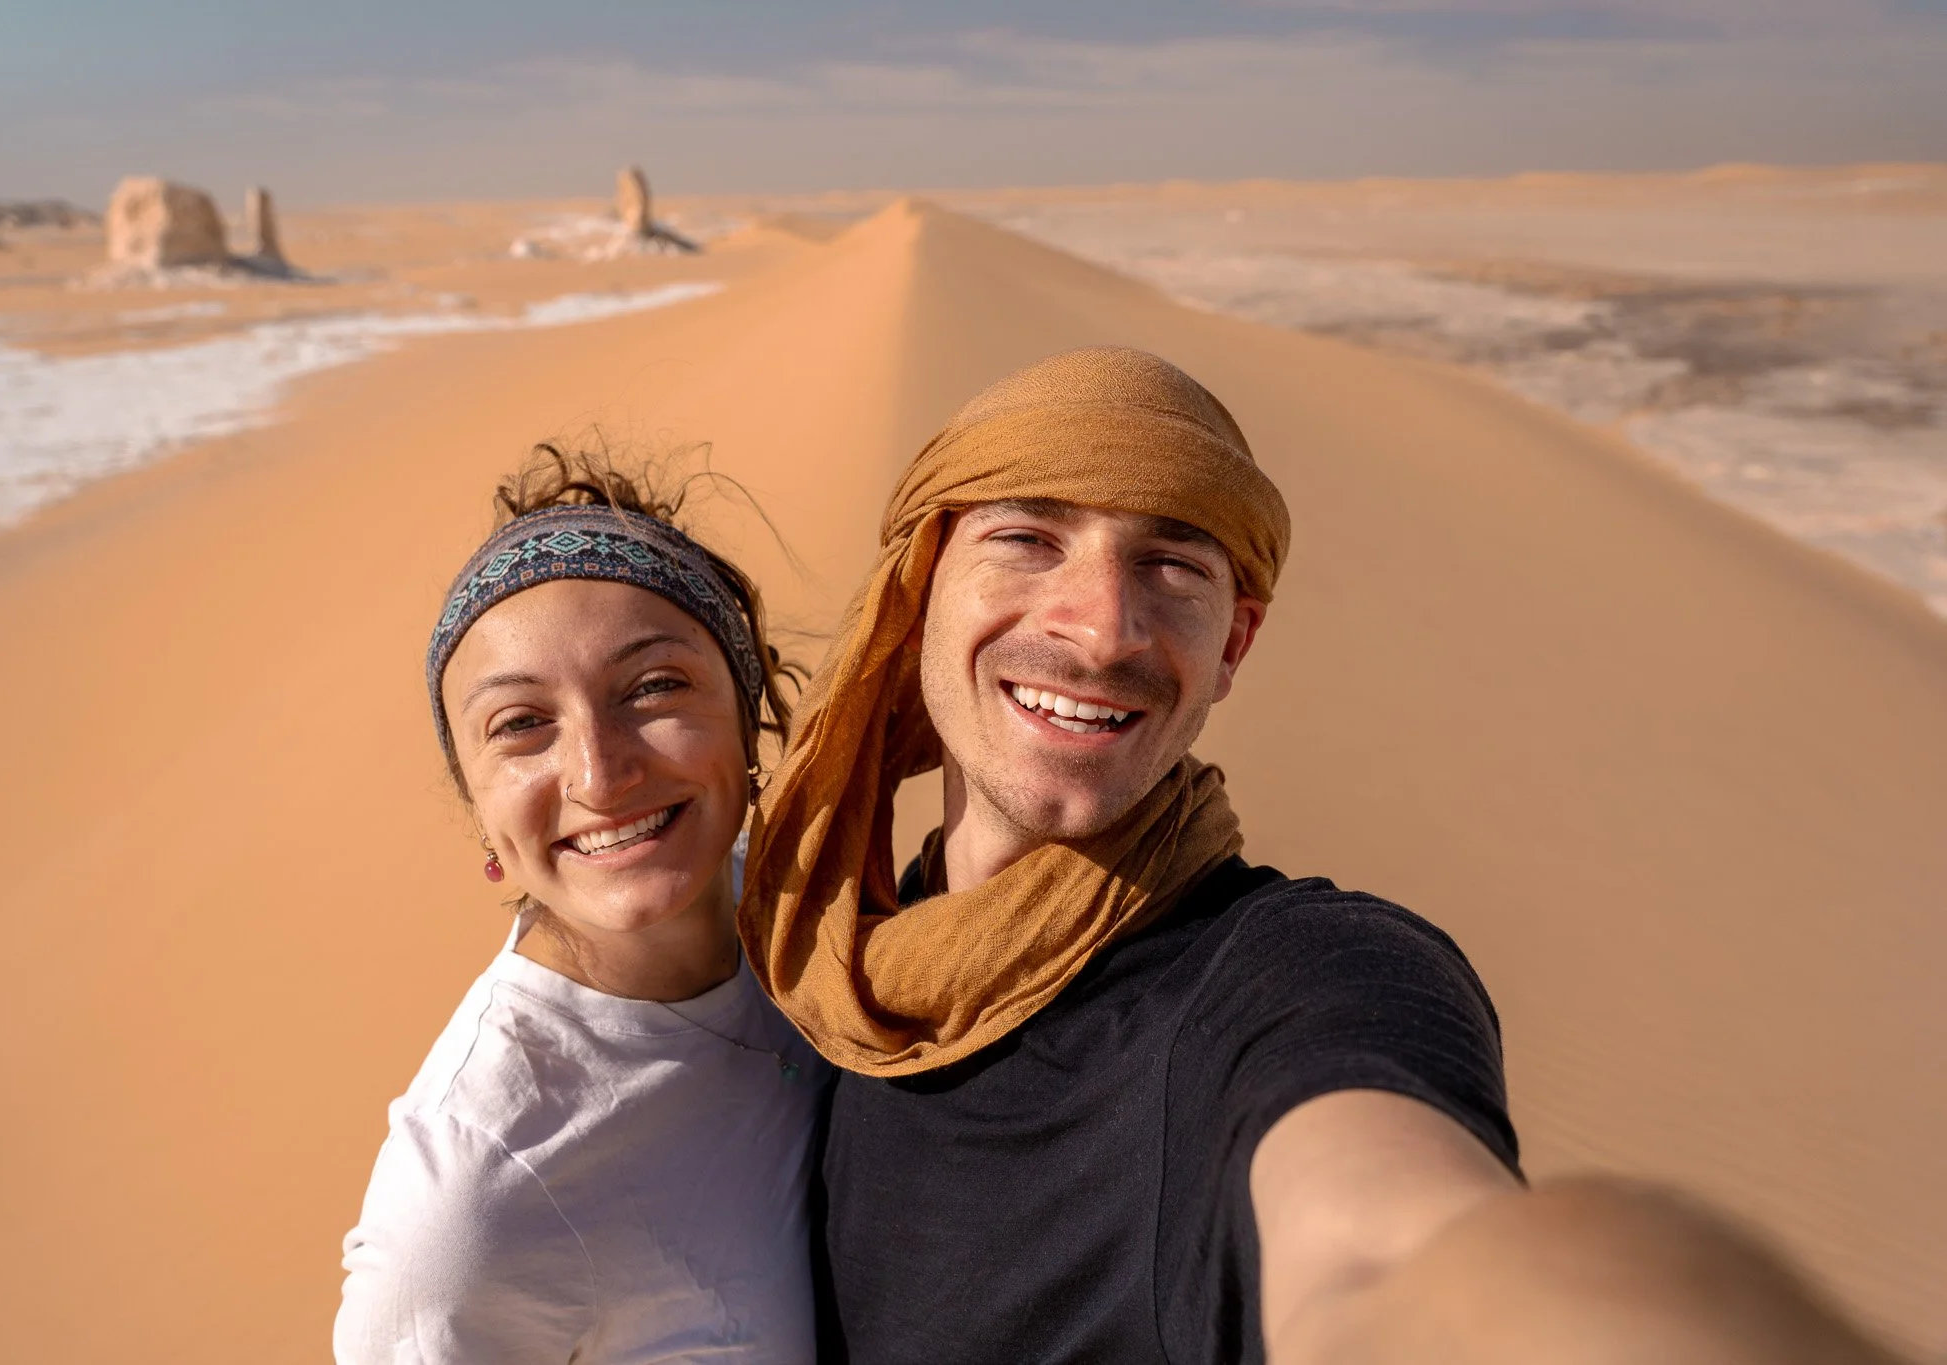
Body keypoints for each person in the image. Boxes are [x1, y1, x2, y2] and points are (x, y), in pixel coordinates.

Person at [741, 347, 1906, 1365]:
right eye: (1026, 540)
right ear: (916, 592)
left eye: (1173, 568)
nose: (1100, 626)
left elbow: (1385, 1240)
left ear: (1231, 643)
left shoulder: (1299, 978)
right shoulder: (809, 976)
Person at [336, 444, 828, 1364]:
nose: (602, 774)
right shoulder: (472, 1196)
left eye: (653, 688)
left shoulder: (833, 927)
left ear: (748, 708)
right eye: (521, 725)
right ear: (479, 804)